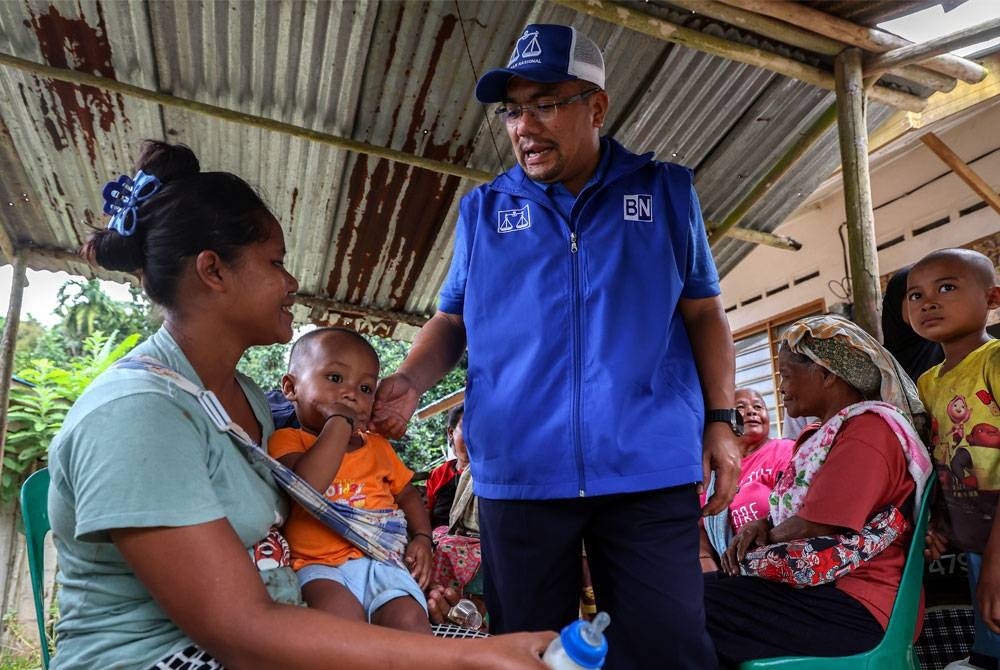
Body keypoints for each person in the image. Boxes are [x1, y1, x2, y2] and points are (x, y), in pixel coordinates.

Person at [45, 140, 552, 669]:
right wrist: (461, 657)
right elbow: (242, 633)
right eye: (275, 263)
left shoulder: (244, 402)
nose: (291, 283)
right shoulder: (138, 416)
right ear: (213, 271)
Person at [373, 23, 741, 669]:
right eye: (513, 110)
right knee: (526, 648)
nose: (524, 126)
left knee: (669, 644)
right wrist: (409, 380)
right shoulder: (484, 210)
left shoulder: (664, 190)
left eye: (545, 104)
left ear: (595, 108)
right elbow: (452, 320)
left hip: (646, 460)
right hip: (520, 468)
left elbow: (704, 313)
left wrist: (721, 419)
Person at [704, 314, 933, 667]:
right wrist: (762, 523)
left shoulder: (868, 431)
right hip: (821, 592)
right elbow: (804, 512)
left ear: (826, 374)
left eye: (786, 375)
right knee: (693, 603)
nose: (780, 388)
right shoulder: (825, 434)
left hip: (858, 604)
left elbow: (819, 524)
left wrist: (760, 538)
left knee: (691, 606)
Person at [268, 328, 432, 632]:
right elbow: (307, 488)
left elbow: (408, 495)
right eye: (334, 378)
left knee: (409, 620)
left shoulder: (378, 447)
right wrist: (339, 422)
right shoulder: (288, 441)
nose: (351, 394)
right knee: (342, 624)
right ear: (291, 387)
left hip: (382, 561)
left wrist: (423, 538)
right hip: (319, 567)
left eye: (366, 389)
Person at [907, 248, 1000, 670]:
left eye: (946, 287)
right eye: (915, 295)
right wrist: (939, 523)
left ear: (992, 299)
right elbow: (937, 459)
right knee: (989, 636)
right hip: (976, 539)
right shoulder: (927, 383)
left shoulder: (994, 361)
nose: (928, 302)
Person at [701, 388, 795, 570]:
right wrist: (705, 561)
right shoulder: (715, 471)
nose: (752, 411)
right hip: (730, 570)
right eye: (740, 407)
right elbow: (699, 525)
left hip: (782, 562)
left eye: (758, 406)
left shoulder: (784, 451)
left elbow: (797, 504)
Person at [882, 264, 945, 382]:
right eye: (916, 296)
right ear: (895, 304)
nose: (929, 303)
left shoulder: (956, 350)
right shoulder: (877, 365)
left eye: (940, 292)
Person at [425, 404, 469, 529]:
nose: (473, 436)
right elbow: (425, 521)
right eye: (467, 428)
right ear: (451, 432)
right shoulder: (438, 475)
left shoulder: (492, 474)